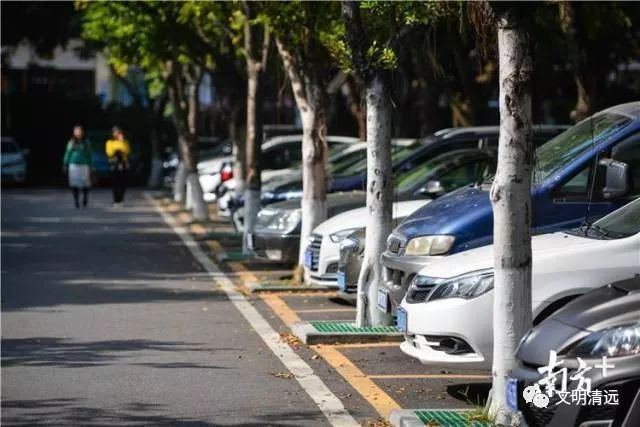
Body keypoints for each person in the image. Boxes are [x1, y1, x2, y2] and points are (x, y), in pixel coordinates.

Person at [62, 125, 93, 208]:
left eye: (79, 131)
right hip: (73, 165)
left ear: (82, 132)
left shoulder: (86, 142)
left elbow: (89, 154)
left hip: (84, 165)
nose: (78, 132)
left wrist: (91, 165)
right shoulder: (71, 142)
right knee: (74, 183)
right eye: (76, 131)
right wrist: (65, 163)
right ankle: (76, 200)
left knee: (85, 183)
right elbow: (67, 153)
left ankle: (85, 198)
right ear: (74, 132)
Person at [105, 126, 131, 206]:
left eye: (118, 132)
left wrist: (121, 142)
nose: (117, 134)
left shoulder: (125, 142)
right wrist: (118, 151)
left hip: (123, 164)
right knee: (115, 183)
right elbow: (109, 152)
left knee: (123, 183)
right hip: (114, 164)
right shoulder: (110, 142)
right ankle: (116, 200)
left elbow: (127, 151)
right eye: (115, 132)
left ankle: (121, 199)